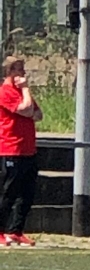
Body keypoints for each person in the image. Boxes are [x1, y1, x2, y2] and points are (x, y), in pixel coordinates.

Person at [0, 56, 43, 247]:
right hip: (11, 149)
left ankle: (16, 230)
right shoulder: (5, 92)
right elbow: (26, 109)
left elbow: (38, 114)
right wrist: (26, 90)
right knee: (8, 193)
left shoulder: (22, 93)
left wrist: (27, 104)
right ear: (10, 72)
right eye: (19, 69)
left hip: (28, 150)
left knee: (27, 194)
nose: (23, 73)